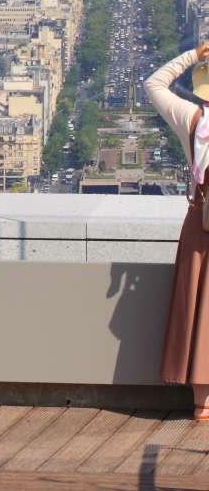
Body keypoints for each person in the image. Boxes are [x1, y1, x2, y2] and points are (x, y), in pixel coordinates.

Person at [145, 41, 209, 419]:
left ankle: (202, 400)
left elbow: (154, 83)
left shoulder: (194, 121)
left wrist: (193, 55)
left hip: (203, 223)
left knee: (199, 305)